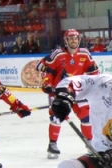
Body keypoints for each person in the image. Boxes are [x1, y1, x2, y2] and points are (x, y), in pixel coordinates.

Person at [37, 29, 99, 159]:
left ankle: (90, 144)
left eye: (76, 38)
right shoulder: (57, 54)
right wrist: (47, 83)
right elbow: (42, 67)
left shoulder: (85, 54)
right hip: (60, 91)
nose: (74, 41)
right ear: (66, 41)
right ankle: (52, 144)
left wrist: (95, 86)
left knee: (86, 117)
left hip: (79, 90)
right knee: (56, 117)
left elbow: (94, 72)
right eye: (71, 38)